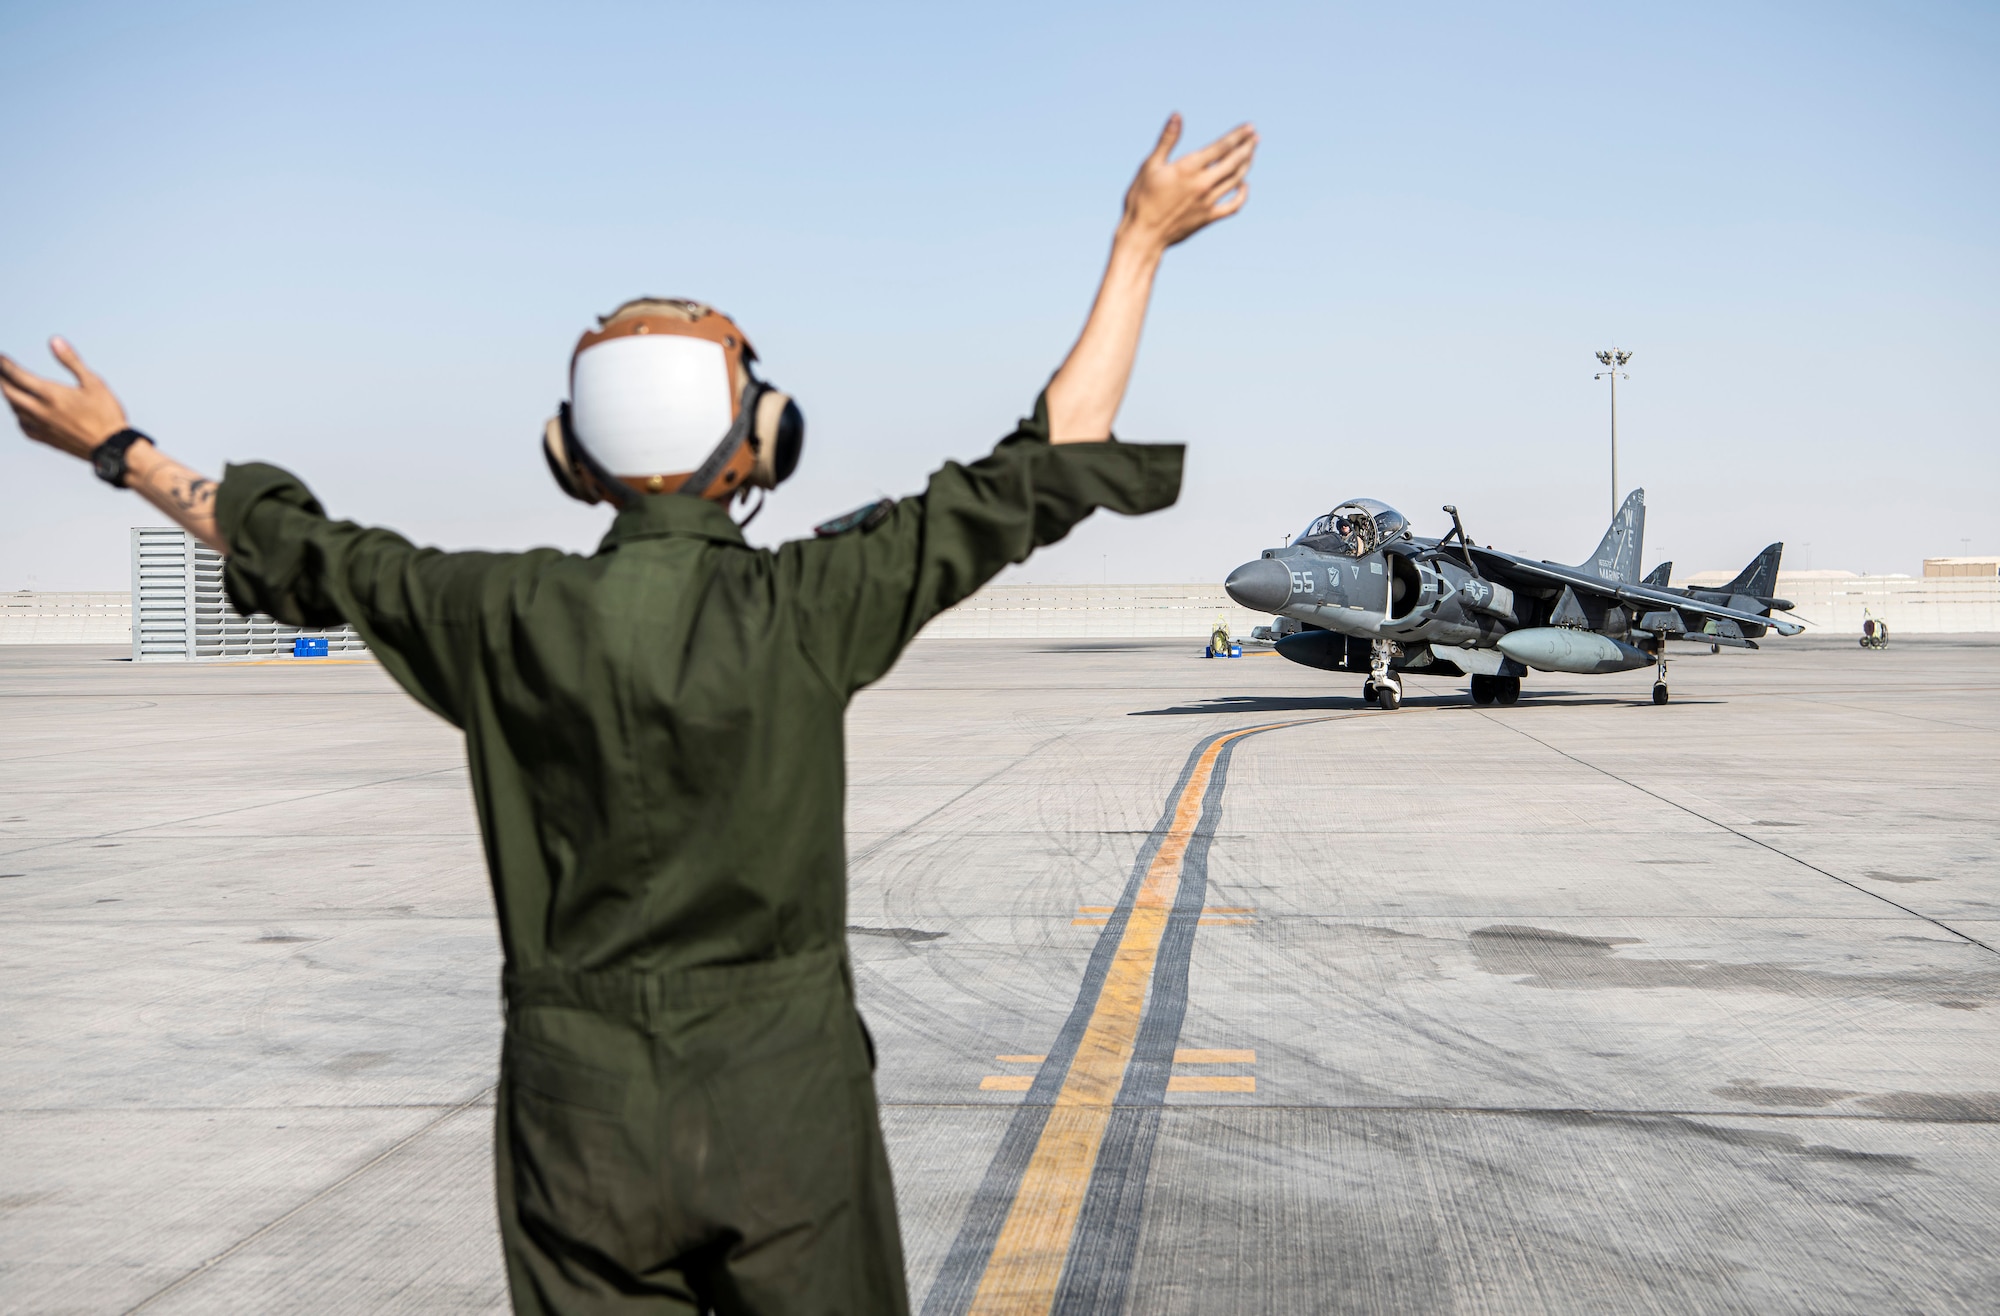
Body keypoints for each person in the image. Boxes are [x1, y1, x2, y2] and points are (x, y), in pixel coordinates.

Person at [1, 114, 1256, 1315]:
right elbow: (1049, 455)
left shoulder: (492, 611)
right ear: (764, 442)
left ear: (571, 456)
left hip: (575, 1116)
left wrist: (120, 447)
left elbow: (297, 546)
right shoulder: (812, 602)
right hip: (786, 1106)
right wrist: (1136, 244)